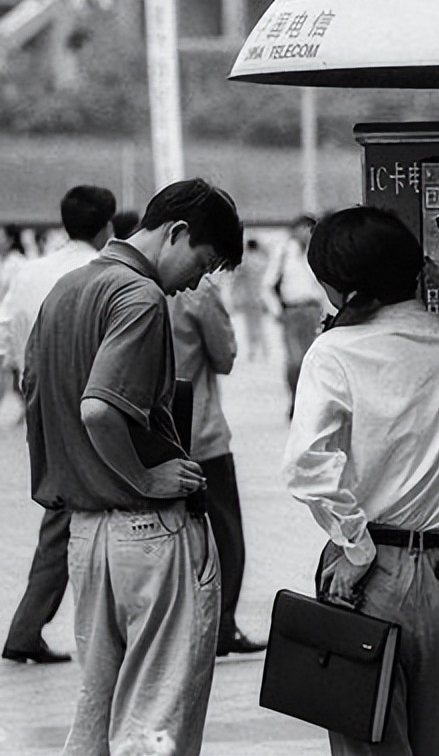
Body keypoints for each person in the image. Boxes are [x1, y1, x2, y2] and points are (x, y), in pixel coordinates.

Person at [24, 178, 243, 755]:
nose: (198, 280)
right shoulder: (139, 297)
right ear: (177, 233)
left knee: (97, 713)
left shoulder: (65, 290)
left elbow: (37, 397)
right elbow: (99, 408)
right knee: (153, 722)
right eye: (206, 261)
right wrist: (143, 476)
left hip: (85, 532)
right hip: (147, 531)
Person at [282, 206, 439, 755]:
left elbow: (306, 466)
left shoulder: (335, 352)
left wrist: (355, 548)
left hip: (365, 573)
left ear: (334, 287)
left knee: (365, 738)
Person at [0, 186, 117, 665]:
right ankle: (45, 630)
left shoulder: (30, 271)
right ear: (107, 226)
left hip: (40, 399)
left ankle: (30, 629)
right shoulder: (103, 272)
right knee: (86, 511)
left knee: (62, 508)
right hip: (87, 395)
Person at [168, 276, 266, 656]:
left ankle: (175, 629)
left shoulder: (126, 284)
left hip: (150, 437)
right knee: (224, 534)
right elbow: (224, 355)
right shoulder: (197, 290)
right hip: (201, 433)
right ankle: (221, 624)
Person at [264, 215, 327, 416]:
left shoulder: (318, 252)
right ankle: (294, 397)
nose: (305, 234)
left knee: (314, 360)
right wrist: (276, 310)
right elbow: (266, 285)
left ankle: (309, 402)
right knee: (295, 360)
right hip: (292, 311)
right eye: (302, 229)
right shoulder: (283, 252)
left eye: (309, 229)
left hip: (313, 310)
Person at [232, 238, 271, 361]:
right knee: (260, 324)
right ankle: (265, 350)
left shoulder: (246, 261)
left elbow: (236, 279)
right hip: (261, 297)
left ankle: (253, 350)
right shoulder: (262, 261)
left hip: (249, 297)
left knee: (250, 326)